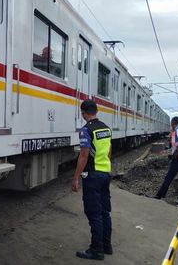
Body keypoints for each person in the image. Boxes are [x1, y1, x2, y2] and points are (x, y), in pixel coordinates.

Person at [72, 99, 112, 260]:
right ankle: (106, 246)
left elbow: (84, 154)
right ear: (96, 111)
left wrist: (75, 178)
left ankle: (96, 250)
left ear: (83, 113)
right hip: (105, 174)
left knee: (94, 213)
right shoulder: (106, 128)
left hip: (92, 176)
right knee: (105, 212)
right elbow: (109, 152)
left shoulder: (86, 130)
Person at [152, 117, 178, 206]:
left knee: (169, 176)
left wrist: (176, 151)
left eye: (171, 124)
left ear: (173, 123)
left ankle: (159, 195)